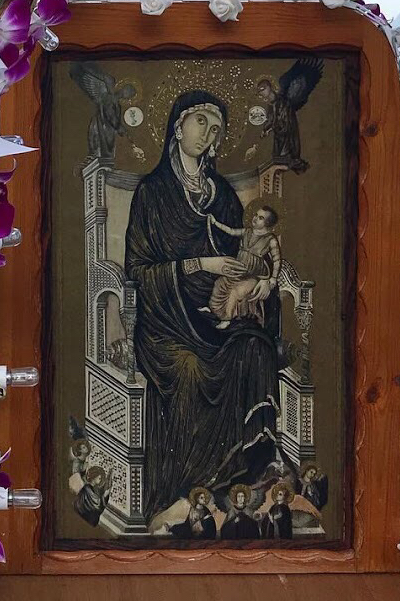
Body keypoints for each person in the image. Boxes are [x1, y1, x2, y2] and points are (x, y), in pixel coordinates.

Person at [124, 91, 281, 524]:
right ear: (177, 126)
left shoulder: (223, 197)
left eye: (215, 129)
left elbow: (242, 255)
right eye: (200, 123)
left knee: (256, 348)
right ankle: (184, 494)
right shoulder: (153, 194)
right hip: (166, 322)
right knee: (191, 369)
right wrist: (199, 264)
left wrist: (261, 280)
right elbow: (138, 269)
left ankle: (244, 478)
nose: (207, 134)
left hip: (217, 314)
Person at [206, 204, 282, 328]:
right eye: (256, 215)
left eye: (261, 218)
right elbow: (230, 231)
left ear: (268, 223)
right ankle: (215, 310)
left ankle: (227, 319)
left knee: (236, 291)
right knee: (220, 283)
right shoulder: (247, 231)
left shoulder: (270, 240)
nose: (255, 218)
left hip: (254, 276)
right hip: (238, 271)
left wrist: (273, 278)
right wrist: (215, 223)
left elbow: (277, 260)